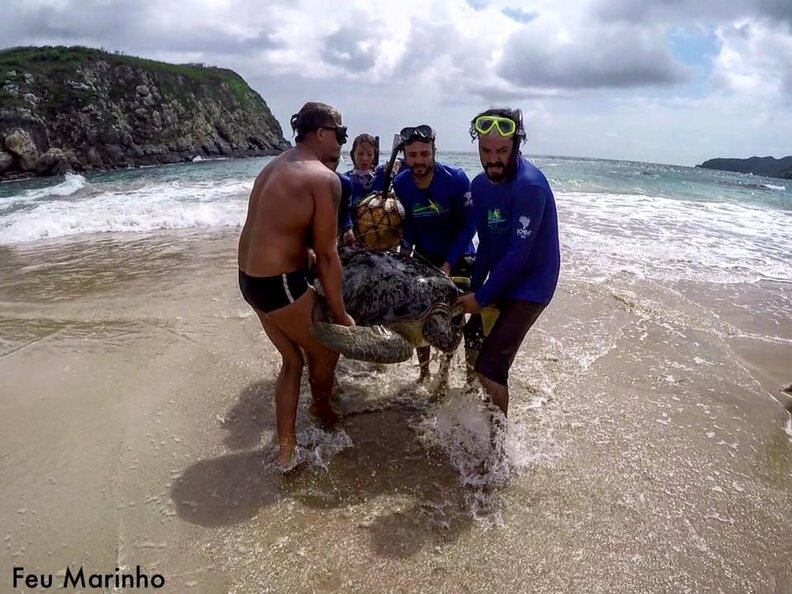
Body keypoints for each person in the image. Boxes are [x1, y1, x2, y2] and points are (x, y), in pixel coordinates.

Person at [237, 101, 355, 470]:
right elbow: (328, 255)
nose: (342, 141)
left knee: (292, 359)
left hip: (248, 280)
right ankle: (322, 411)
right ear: (321, 132)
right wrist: (341, 315)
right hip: (278, 285)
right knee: (326, 350)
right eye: (340, 133)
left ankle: (287, 451)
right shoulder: (323, 178)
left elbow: (275, 229)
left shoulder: (273, 167)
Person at [456, 108, 560, 417]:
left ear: (516, 145)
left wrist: (483, 298)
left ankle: (497, 452)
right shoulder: (479, 186)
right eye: (486, 150)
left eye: (501, 151)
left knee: (491, 367)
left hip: (532, 284)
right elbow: (487, 246)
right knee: (472, 341)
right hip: (503, 275)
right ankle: (475, 412)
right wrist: (473, 293)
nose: (493, 159)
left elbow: (518, 255)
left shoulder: (530, 187)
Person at [391, 124, 476, 382]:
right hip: (423, 255)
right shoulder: (401, 183)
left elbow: (469, 224)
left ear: (434, 151)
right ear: (405, 155)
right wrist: (404, 251)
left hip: (458, 256)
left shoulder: (456, 179)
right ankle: (425, 372)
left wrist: (449, 264)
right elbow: (409, 224)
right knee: (418, 318)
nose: (419, 161)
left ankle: (445, 373)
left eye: (424, 154)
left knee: (452, 320)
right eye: (413, 155)